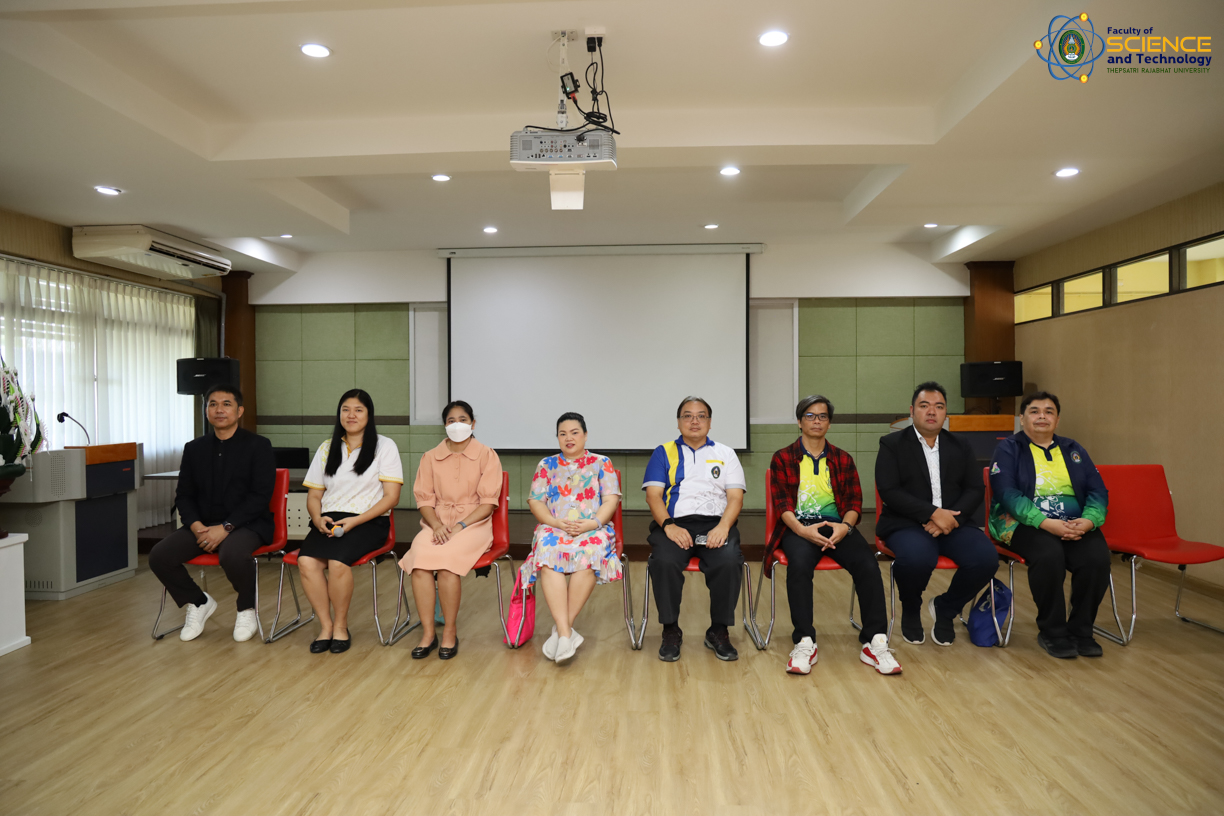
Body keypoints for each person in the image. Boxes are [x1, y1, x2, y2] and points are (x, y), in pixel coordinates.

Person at [766, 395, 901, 676]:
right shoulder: (783, 457)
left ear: (829, 422)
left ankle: (875, 641)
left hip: (838, 528)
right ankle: (805, 641)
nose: (816, 421)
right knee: (799, 566)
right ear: (799, 421)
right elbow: (782, 505)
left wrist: (845, 527)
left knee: (867, 564)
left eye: (823, 416)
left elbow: (854, 502)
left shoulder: (842, 458)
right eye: (810, 416)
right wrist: (802, 530)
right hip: (799, 528)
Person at [875, 382, 999, 646]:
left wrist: (951, 520)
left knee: (986, 559)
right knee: (917, 558)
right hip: (906, 523)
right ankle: (911, 608)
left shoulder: (960, 444)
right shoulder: (892, 444)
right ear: (912, 411)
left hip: (953, 524)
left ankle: (946, 608)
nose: (932, 411)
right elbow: (889, 490)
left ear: (946, 413)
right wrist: (933, 514)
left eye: (939, 406)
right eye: (924, 406)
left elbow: (975, 488)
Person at [989, 391, 1111, 659]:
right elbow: (1006, 493)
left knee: (1097, 558)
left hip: (1074, 523)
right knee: (1048, 555)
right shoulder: (1009, 448)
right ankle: (1053, 632)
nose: (1042, 416)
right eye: (1034, 411)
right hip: (1022, 523)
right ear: (1022, 418)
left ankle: (1081, 631)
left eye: (1049, 412)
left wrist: (1089, 521)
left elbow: (1097, 490)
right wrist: (1045, 523)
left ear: (1057, 420)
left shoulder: (1073, 449)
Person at [149, 383, 275, 642]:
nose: (219, 410)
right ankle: (198, 601)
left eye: (226, 404)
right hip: (203, 525)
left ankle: (246, 609)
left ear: (239, 411)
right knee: (160, 556)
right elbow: (184, 495)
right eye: (213, 404)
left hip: (248, 524)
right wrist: (196, 526)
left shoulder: (258, 445)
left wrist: (226, 527)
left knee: (232, 554)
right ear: (206, 410)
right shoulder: (194, 448)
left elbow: (260, 496)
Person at [298, 389, 403, 654]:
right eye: (346, 409)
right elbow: (314, 496)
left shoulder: (384, 446)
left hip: (368, 521)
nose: (351, 415)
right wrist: (317, 517)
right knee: (306, 561)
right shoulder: (327, 448)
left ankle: (341, 626)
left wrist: (355, 522)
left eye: (358, 410)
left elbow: (391, 498)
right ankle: (326, 626)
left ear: (369, 415)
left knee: (337, 561)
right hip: (329, 520)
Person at [643, 396, 746, 662]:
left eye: (701, 416)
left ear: (710, 422)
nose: (694, 421)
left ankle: (718, 630)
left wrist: (723, 527)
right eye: (687, 416)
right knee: (664, 561)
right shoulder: (663, 452)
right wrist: (669, 526)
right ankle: (670, 630)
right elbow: (654, 496)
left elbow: (735, 498)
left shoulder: (726, 453)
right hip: (675, 523)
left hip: (716, 523)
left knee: (728, 560)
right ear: (678, 422)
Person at [399, 400, 502, 661]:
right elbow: (424, 500)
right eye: (451, 420)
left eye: (463, 420)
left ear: (473, 423)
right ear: (444, 425)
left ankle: (449, 632)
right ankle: (428, 633)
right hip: (437, 523)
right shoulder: (430, 457)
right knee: (419, 562)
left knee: (446, 565)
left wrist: (459, 526)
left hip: (473, 524)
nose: (457, 425)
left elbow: (488, 503)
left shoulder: (487, 455)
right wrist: (436, 525)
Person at [519, 412, 622, 664]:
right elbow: (536, 500)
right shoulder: (546, 464)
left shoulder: (601, 462)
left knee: (590, 552)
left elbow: (611, 500)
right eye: (562, 434)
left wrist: (593, 523)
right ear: (557, 438)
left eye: (575, 432)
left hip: (592, 527)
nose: (569, 438)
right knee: (546, 550)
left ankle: (562, 630)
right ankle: (566, 633)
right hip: (554, 527)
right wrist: (554, 522)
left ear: (585, 435)